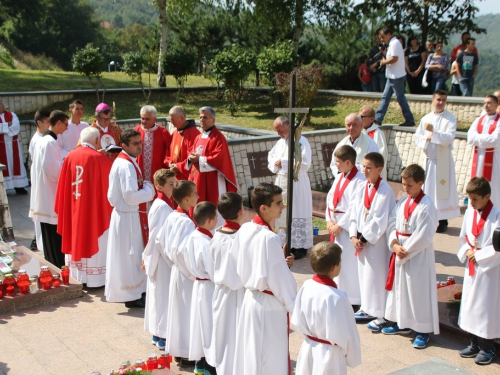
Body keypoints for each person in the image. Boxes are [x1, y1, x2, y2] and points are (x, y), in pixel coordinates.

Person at [232, 183, 296, 375]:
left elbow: (237, 258)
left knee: (253, 356)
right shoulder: (269, 238)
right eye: (278, 203)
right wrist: (297, 308)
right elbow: (281, 282)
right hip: (269, 306)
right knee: (269, 358)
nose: (283, 206)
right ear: (263, 208)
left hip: (251, 299)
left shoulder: (244, 229)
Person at [382, 164, 439, 349]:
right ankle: (402, 323)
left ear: (421, 183)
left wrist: (404, 251)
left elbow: (425, 235)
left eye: (410, 185)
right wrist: (394, 244)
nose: (405, 189)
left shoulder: (427, 205)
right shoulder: (403, 202)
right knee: (401, 290)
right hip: (401, 250)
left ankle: (422, 330)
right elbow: (392, 222)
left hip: (417, 255)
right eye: (403, 184)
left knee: (417, 292)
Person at [291, 241, 361, 375]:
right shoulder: (338, 297)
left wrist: (310, 337)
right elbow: (348, 331)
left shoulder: (306, 286)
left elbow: (297, 319)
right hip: (330, 356)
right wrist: (352, 357)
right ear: (334, 267)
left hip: (308, 347)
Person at [54, 127, 113, 287]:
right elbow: (110, 189)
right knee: (96, 235)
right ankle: (95, 279)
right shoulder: (100, 159)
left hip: (74, 208)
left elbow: (62, 188)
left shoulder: (70, 156)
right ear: (96, 141)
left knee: (76, 234)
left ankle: (77, 275)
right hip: (93, 210)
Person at [105, 129, 156, 307]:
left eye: (140, 142)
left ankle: (135, 291)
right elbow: (131, 196)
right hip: (128, 217)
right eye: (135, 144)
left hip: (128, 215)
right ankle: (131, 295)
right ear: (124, 145)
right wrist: (150, 191)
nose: (139, 146)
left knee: (129, 256)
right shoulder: (126, 165)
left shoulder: (126, 161)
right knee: (129, 256)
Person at [349, 152, 395, 330]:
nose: (365, 170)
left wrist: (364, 238)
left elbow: (380, 219)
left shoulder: (385, 191)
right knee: (364, 275)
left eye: (369, 167)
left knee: (376, 275)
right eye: (363, 166)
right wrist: (353, 236)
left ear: (379, 169)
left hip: (376, 243)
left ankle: (380, 313)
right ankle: (367, 307)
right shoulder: (362, 187)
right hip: (362, 240)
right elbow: (354, 212)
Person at [457, 177, 500, 365]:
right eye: (469, 199)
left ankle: (488, 347)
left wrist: (480, 256)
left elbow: (498, 246)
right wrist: (467, 249)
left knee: (485, 307)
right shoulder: (470, 212)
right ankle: (473, 343)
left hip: (489, 270)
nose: (471, 203)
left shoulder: (497, 215)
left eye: (475, 199)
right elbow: (465, 236)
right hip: (472, 265)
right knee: (470, 305)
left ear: (487, 196)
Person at [162, 180, 198, 365]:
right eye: (195, 194)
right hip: (186, 274)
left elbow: (163, 243)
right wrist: (194, 274)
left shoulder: (171, 216)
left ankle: (179, 349)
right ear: (186, 198)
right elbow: (182, 252)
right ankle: (187, 351)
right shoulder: (186, 223)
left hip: (177, 270)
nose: (198, 197)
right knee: (186, 312)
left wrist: (172, 264)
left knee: (179, 311)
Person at [267, 115, 313, 259]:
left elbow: (305, 163)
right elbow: (271, 157)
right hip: (282, 181)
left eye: (280, 130)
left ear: (287, 126)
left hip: (297, 182)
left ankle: (298, 247)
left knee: (297, 211)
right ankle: (284, 243)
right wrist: (276, 162)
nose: (279, 133)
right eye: (277, 131)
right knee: (283, 212)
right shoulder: (280, 142)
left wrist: (283, 163)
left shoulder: (301, 141)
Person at [415, 90, 460, 233]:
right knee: (428, 191)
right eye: (439, 99)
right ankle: (428, 217)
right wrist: (427, 137)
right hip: (429, 160)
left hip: (442, 162)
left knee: (441, 192)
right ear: (433, 101)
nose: (441, 103)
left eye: (444, 100)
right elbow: (418, 137)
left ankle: (442, 221)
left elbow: (448, 138)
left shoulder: (450, 118)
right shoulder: (425, 118)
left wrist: (433, 133)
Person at [325, 145, 366, 306]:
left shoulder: (359, 181)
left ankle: (353, 298)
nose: (335, 164)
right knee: (339, 261)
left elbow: (355, 207)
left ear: (348, 162)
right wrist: (329, 219)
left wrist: (340, 225)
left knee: (349, 264)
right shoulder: (340, 176)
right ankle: (341, 293)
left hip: (348, 228)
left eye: (338, 161)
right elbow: (331, 198)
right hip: (336, 224)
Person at [210, 192, 245, 375]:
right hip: (240, 294)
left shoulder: (216, 236)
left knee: (223, 334)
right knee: (238, 335)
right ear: (241, 211)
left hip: (221, 292)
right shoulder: (241, 238)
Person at [29, 110, 69, 268]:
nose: (66, 128)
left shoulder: (43, 140)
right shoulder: (50, 142)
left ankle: (52, 263)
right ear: (58, 122)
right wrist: (67, 166)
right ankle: (57, 265)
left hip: (44, 192)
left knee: (48, 232)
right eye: (65, 124)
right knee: (53, 232)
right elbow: (54, 172)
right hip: (51, 192)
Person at [143, 168, 176, 350]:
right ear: (159, 186)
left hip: (160, 256)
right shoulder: (162, 206)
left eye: (175, 183)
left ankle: (158, 333)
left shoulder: (164, 203)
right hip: (163, 259)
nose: (174, 186)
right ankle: (162, 335)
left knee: (160, 295)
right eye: (171, 184)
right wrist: (172, 259)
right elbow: (158, 237)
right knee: (163, 296)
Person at [188, 106, 237, 225]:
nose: (202, 120)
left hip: (213, 180)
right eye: (200, 117)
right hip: (198, 179)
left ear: (213, 120)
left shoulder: (218, 137)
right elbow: (192, 152)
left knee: (213, 210)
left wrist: (199, 159)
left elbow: (219, 159)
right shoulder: (199, 137)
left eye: (205, 117)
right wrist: (191, 158)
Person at [185, 201, 218, 375]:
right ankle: (209, 366)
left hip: (198, 284)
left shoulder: (192, 236)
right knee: (209, 327)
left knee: (200, 325)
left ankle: (200, 362)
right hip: (209, 287)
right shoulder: (206, 243)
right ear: (211, 220)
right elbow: (214, 271)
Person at [374, 26, 415, 127]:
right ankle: (378, 119)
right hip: (392, 76)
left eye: (383, 37)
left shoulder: (395, 43)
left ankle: (409, 119)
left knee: (400, 98)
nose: (382, 39)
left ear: (389, 34)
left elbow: (394, 59)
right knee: (385, 97)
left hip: (396, 76)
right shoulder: (392, 44)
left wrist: (383, 62)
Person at [467, 95, 500, 206]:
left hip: (493, 162)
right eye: (485, 103)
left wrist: (478, 138)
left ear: (496, 105)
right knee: (477, 185)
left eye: (489, 103)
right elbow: (470, 138)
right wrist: (485, 138)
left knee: (493, 187)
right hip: (478, 160)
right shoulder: (479, 120)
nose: (486, 105)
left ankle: (494, 211)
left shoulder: (499, 121)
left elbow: (495, 140)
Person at [28, 109, 51, 251]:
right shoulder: (37, 141)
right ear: (39, 122)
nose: (50, 125)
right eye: (48, 122)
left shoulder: (44, 138)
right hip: (41, 181)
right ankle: (40, 242)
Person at [134, 105, 171, 189]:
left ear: (155, 119)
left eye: (147, 119)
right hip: (139, 174)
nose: (144, 121)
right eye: (142, 118)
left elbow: (168, 153)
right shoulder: (135, 131)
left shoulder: (163, 133)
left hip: (157, 173)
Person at [0, 98, 29, 194]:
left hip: (13, 144)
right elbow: (9, 126)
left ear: (3, 104)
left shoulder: (12, 115)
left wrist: (3, 128)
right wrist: (8, 126)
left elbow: (16, 126)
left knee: (17, 164)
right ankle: (4, 187)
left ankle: (19, 186)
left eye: (0, 104)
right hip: (1, 145)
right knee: (4, 166)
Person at [166, 106, 199, 181]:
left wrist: (178, 167)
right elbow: (168, 150)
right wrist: (169, 163)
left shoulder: (194, 134)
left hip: (186, 178)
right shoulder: (175, 133)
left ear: (181, 118)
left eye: (172, 119)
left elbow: (193, 157)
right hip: (174, 176)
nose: (171, 122)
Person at [359, 106, 388, 180]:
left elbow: (382, 154)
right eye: (359, 116)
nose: (360, 119)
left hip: (372, 173)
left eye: (362, 116)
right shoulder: (360, 132)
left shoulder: (377, 133)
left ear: (371, 118)